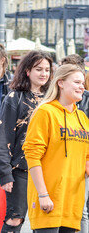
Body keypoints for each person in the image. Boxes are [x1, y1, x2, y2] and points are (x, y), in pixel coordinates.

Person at [22, 64, 89, 232]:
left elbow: (86, 157)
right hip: (48, 200)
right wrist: (43, 194)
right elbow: (32, 155)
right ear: (61, 83)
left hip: (73, 202)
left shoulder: (81, 118)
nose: (82, 86)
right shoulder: (45, 112)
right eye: (77, 82)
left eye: (83, 83)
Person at [0, 51, 53, 232]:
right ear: (27, 71)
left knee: (46, 220)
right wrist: (5, 173)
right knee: (15, 218)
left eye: (47, 70)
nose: (44, 73)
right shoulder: (15, 98)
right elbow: (3, 136)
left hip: (48, 169)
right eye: (39, 69)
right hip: (20, 169)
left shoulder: (52, 100)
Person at [61, 54, 89, 232]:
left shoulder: (85, 99)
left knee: (81, 209)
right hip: (61, 160)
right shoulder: (54, 99)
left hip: (81, 161)